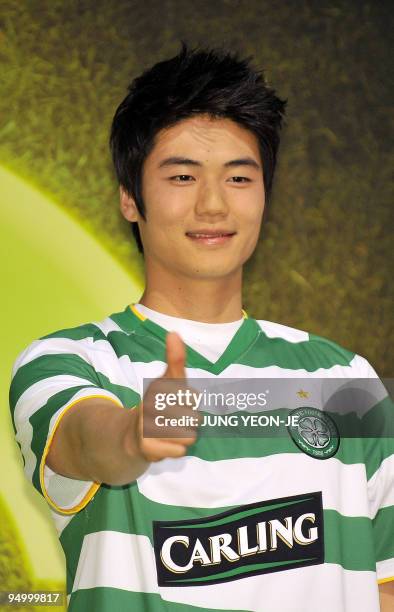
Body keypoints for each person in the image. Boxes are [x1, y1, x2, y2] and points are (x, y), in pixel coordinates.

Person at [9, 44, 393, 612]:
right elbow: (89, 441)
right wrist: (133, 434)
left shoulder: (346, 382)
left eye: (239, 177)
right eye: (183, 176)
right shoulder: (70, 360)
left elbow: (383, 587)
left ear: (265, 195)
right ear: (129, 198)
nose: (213, 205)